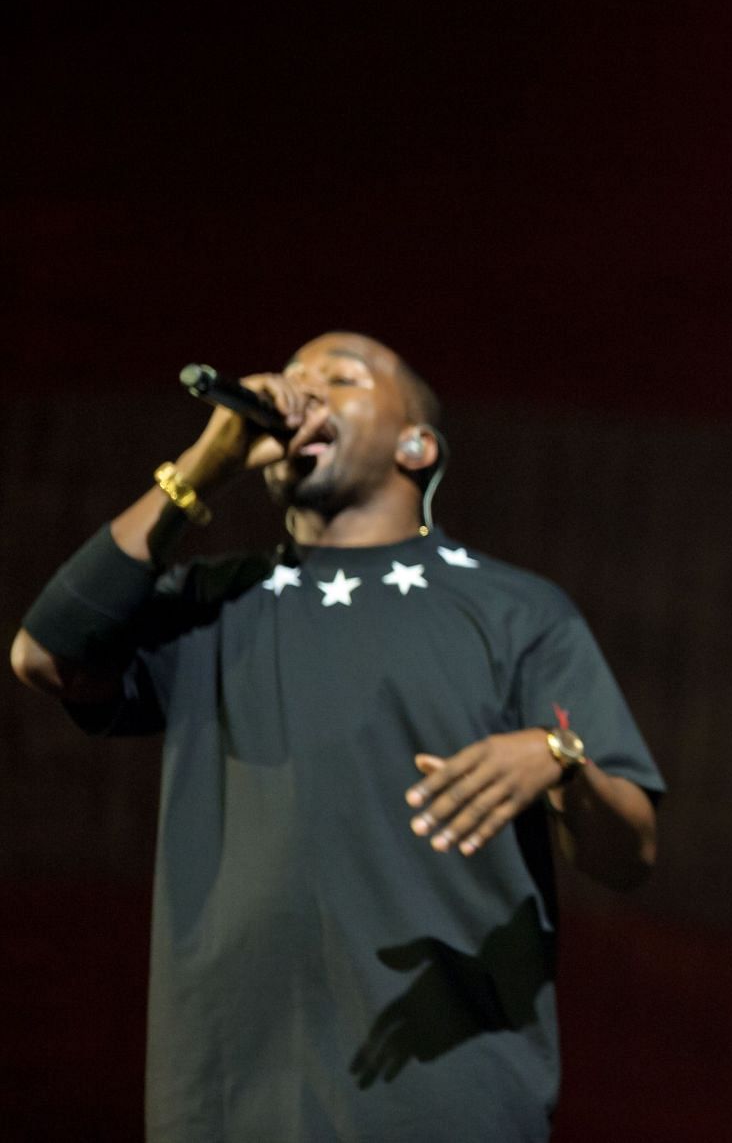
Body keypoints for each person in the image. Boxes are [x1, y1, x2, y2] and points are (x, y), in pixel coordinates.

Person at [10, 332, 666, 1142]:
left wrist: (561, 761)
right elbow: (44, 654)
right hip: (223, 1102)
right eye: (292, 378)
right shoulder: (213, 603)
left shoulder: (517, 612)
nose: (301, 392)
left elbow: (630, 851)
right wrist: (199, 468)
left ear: (416, 445)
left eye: (341, 378)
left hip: (442, 1101)